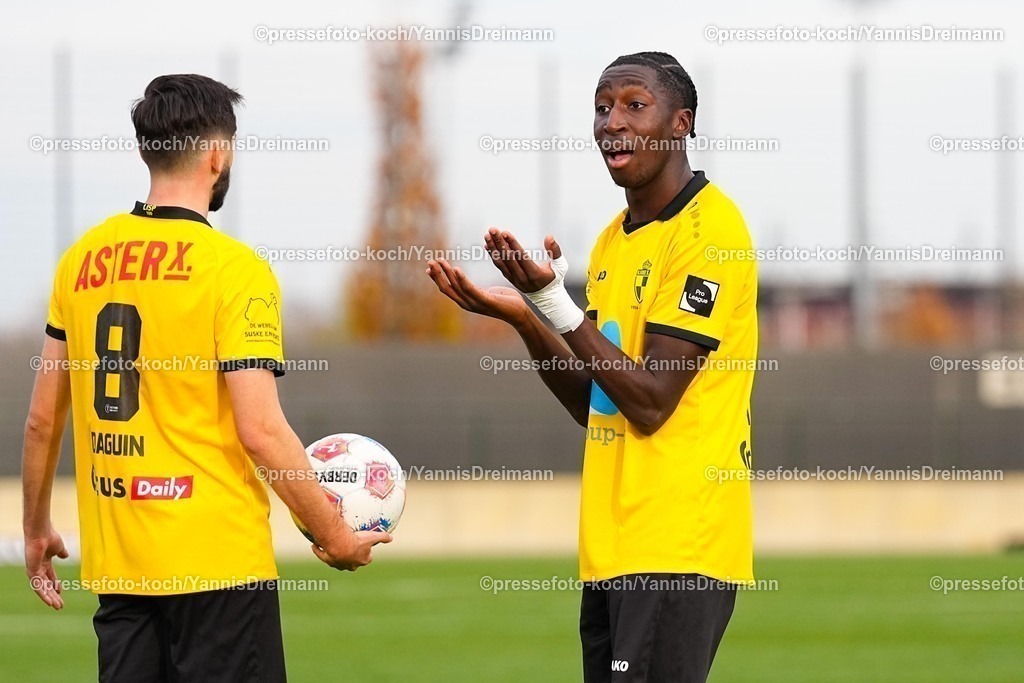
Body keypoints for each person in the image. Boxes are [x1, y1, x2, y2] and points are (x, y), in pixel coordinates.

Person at [22, 73, 391, 682]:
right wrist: (334, 534)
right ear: (218, 154)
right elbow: (261, 430)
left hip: (122, 573)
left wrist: (35, 528)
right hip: (220, 572)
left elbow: (42, 420)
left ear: (148, 151)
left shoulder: (81, 262)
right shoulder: (233, 271)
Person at [426, 52, 757, 682]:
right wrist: (529, 318)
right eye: (603, 108)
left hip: (676, 543)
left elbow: (653, 399)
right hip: (613, 548)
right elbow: (597, 401)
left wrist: (556, 304)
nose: (612, 122)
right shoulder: (613, 239)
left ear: (681, 123)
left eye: (635, 105)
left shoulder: (710, 232)